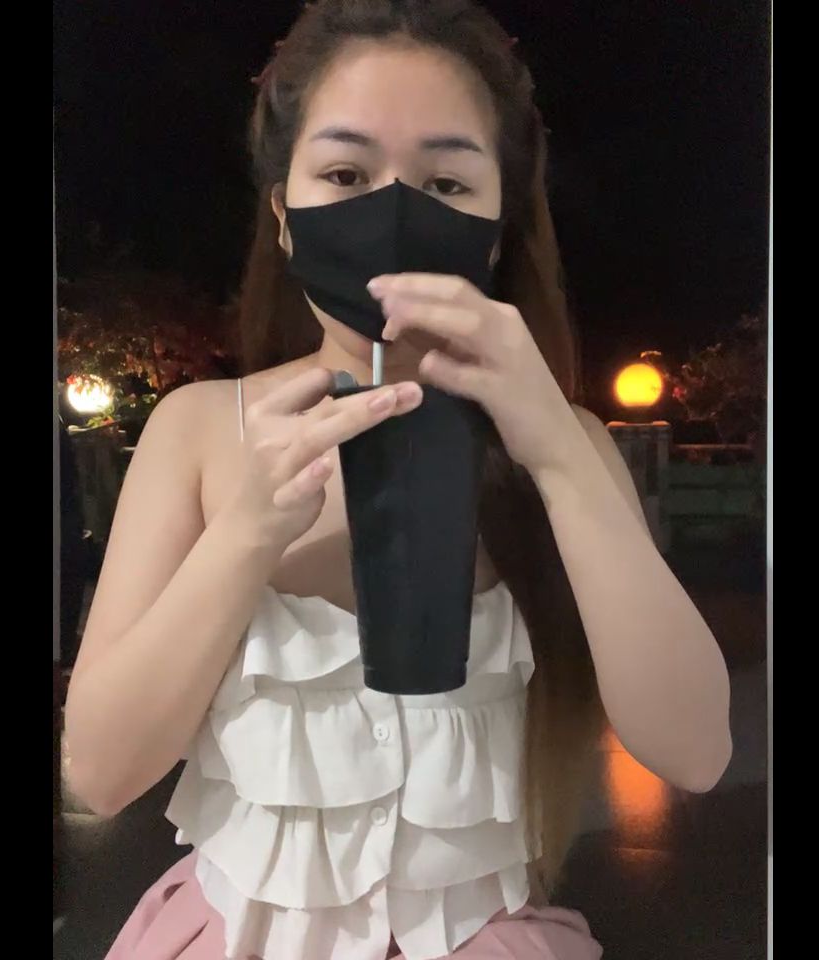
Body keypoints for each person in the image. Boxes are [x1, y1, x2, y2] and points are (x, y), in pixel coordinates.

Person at [64, 2, 732, 958]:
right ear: (284, 216)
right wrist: (245, 534)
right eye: (345, 174)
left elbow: (695, 751)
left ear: (496, 229)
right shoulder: (203, 430)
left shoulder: (561, 443)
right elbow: (100, 773)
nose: (393, 214)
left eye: (446, 182)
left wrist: (558, 453)